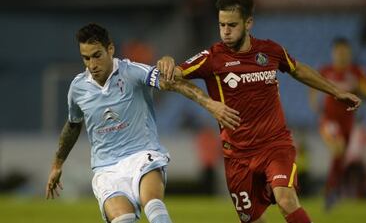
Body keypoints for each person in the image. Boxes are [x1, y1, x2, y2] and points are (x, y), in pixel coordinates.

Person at [165, 0, 361, 222]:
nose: (225, 31)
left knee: (286, 200)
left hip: (275, 145)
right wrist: (207, 102)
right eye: (221, 25)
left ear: (248, 23)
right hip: (237, 156)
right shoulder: (212, 58)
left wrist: (336, 91)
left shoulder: (270, 51)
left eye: (232, 25)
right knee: (253, 220)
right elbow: (170, 78)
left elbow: (297, 69)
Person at [45, 23, 240, 223]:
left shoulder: (132, 72)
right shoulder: (78, 88)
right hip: (107, 168)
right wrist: (57, 165)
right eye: (86, 58)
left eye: (97, 55)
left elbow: (172, 83)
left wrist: (211, 105)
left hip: (142, 155)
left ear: (110, 49)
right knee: (124, 218)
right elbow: (73, 125)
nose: (92, 64)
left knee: (153, 203)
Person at [309, 38, 366, 209]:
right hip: (329, 120)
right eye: (339, 52)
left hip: (348, 121)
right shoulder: (326, 70)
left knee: (340, 157)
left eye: (345, 52)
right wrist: (315, 104)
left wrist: (359, 89)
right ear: (333, 53)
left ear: (350, 53)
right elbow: (312, 87)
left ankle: (333, 190)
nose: (342, 55)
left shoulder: (357, 72)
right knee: (337, 148)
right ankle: (331, 191)